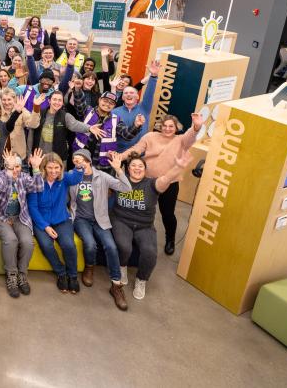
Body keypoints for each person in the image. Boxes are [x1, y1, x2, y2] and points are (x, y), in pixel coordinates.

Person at [110, 148, 194, 301]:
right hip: (121, 220)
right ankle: (122, 268)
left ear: (145, 170)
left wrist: (179, 167)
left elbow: (167, 178)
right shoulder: (120, 179)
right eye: (133, 166)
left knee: (150, 252)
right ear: (128, 169)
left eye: (140, 166)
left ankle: (141, 280)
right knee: (124, 246)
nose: (137, 168)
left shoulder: (152, 184)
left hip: (144, 225)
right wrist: (116, 168)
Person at [118, 113, 202, 256]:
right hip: (147, 182)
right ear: (160, 127)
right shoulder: (150, 137)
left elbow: (190, 136)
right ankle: (135, 237)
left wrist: (196, 126)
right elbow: (136, 149)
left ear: (176, 128)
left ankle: (170, 239)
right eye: (164, 126)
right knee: (139, 210)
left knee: (167, 214)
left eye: (171, 126)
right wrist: (120, 156)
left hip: (169, 183)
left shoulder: (181, 140)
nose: (167, 129)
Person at [69, 149, 132, 311]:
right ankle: (89, 268)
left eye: (80, 159)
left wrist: (119, 170)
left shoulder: (101, 177)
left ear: (88, 161)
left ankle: (116, 285)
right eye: (74, 160)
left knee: (111, 246)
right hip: (80, 219)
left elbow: (126, 189)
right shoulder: (71, 175)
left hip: (100, 219)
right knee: (90, 244)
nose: (77, 162)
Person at [27, 149, 84, 294]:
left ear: (61, 167)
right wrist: (45, 227)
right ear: (44, 168)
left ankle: (72, 276)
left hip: (61, 219)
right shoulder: (37, 180)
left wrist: (78, 166)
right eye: (50, 167)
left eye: (57, 167)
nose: (54, 171)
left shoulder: (64, 178)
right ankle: (61, 272)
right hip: (41, 221)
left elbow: (76, 178)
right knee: (46, 245)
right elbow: (32, 207)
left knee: (68, 245)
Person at [0, 149, 43, 298]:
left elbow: (39, 187)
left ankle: (22, 274)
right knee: (11, 240)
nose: (15, 170)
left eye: (18, 166)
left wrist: (36, 168)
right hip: (1, 217)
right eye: (12, 166)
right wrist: (9, 171)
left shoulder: (24, 177)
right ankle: (12, 276)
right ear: (6, 166)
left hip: (19, 218)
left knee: (27, 242)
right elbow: (1, 187)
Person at [112, 60, 159, 151]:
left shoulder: (144, 108)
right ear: (122, 97)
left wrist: (153, 77)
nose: (129, 95)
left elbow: (149, 93)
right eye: (126, 93)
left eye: (132, 92)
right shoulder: (115, 112)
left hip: (138, 152)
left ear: (137, 96)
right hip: (118, 152)